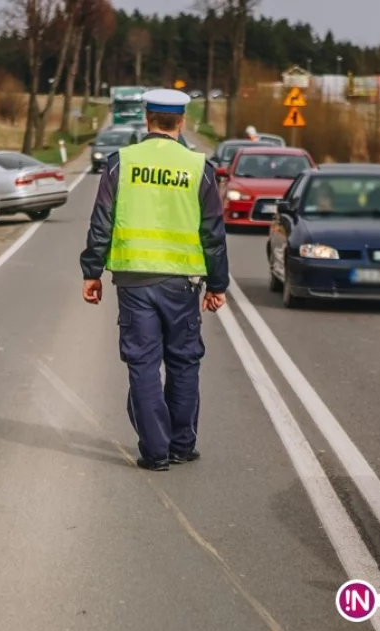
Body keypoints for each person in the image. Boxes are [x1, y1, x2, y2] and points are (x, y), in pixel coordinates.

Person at [80, 88, 229, 472]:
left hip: (134, 282)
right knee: (183, 362)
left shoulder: (121, 163)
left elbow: (101, 223)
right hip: (182, 285)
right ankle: (181, 445)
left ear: (148, 119)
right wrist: (217, 284)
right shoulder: (200, 169)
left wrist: (92, 272)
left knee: (143, 364)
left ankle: (156, 452)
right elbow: (213, 232)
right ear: (181, 122)